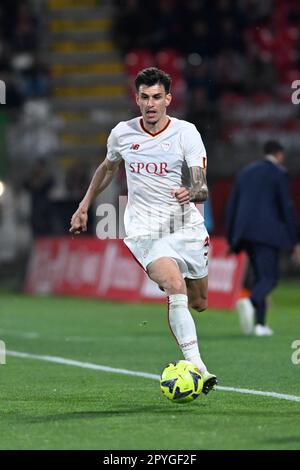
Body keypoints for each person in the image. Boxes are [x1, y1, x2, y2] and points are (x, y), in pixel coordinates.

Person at [69, 67, 217, 395]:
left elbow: (201, 186)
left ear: (168, 99)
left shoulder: (186, 133)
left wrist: (191, 192)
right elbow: (108, 168)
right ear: (136, 99)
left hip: (184, 225)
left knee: (200, 301)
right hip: (144, 229)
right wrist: (84, 205)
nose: (150, 104)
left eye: (156, 97)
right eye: (144, 98)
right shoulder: (122, 134)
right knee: (173, 285)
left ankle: (193, 351)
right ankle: (200, 369)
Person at [226, 140, 300, 336]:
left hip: (245, 234)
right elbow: (287, 208)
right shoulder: (279, 173)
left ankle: (260, 325)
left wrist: (231, 237)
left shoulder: (245, 172)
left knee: (260, 277)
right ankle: (250, 301)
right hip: (268, 234)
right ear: (279, 154)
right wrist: (295, 240)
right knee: (270, 278)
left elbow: (232, 205)